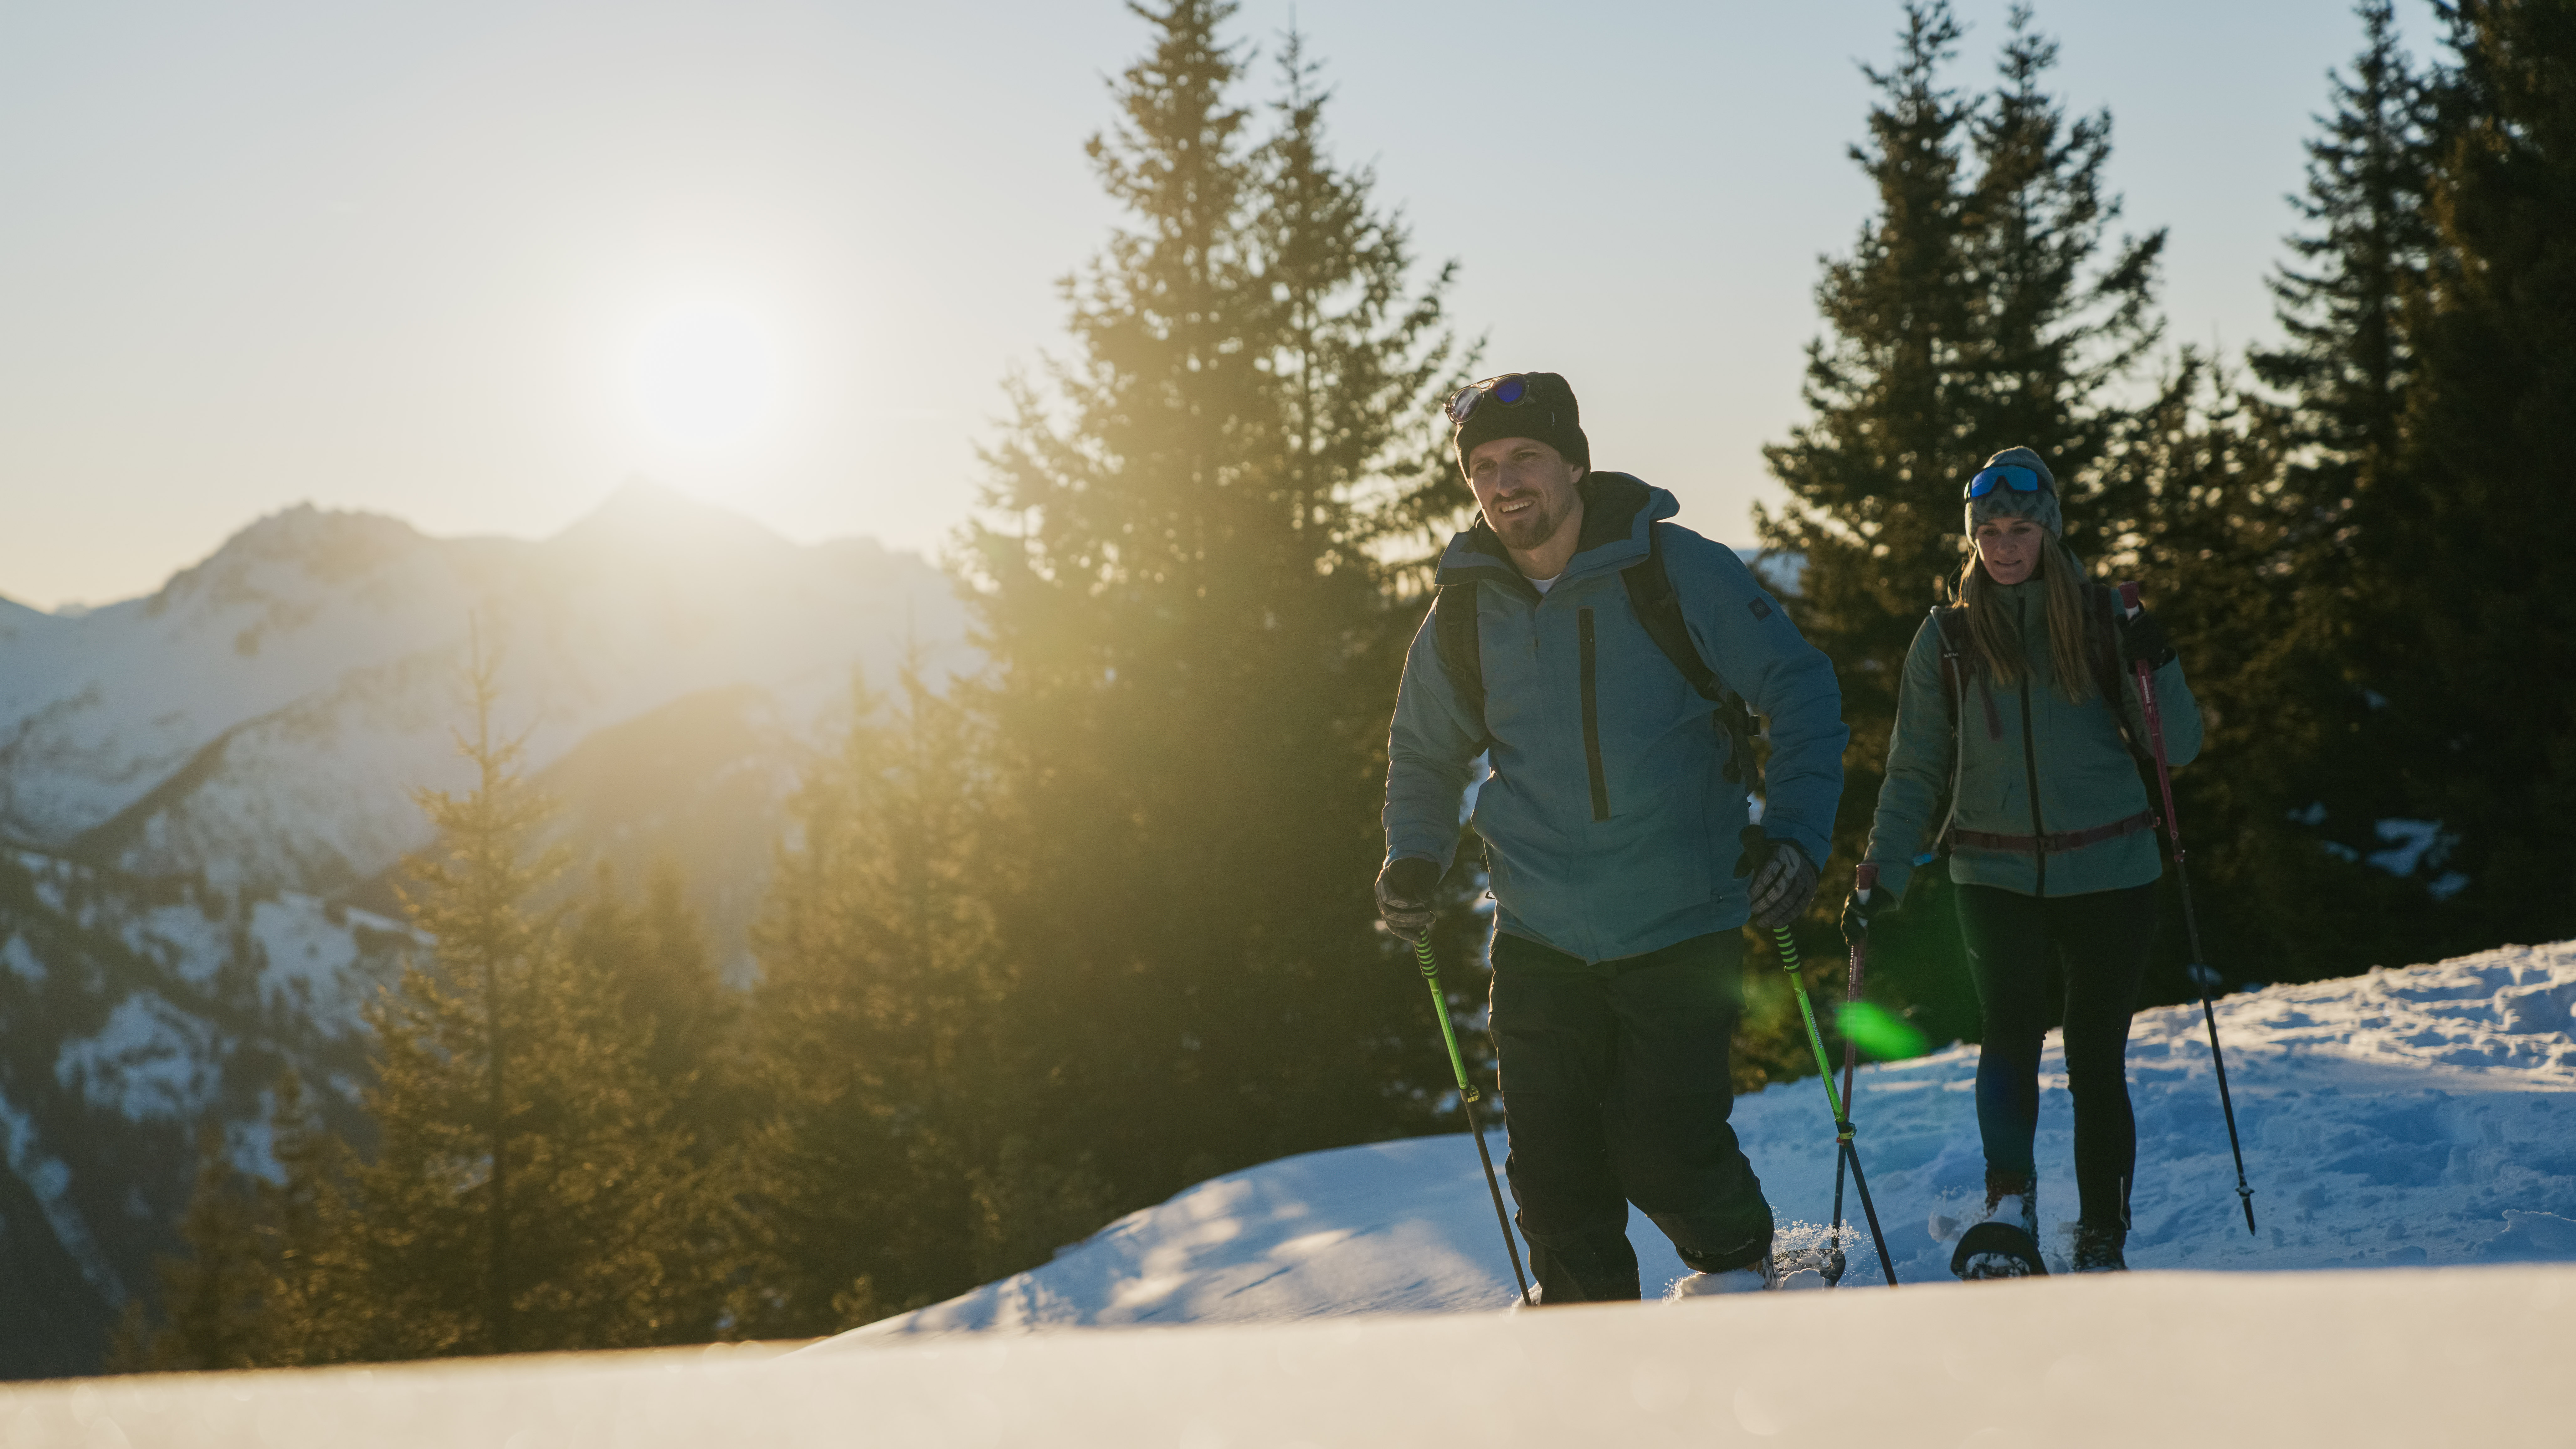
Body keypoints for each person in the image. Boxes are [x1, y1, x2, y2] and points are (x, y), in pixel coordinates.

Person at [1375, 372, 1847, 1302]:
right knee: (1552, 1178)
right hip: (1541, 925)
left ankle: (1745, 1269)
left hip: (1682, 913)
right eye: (1484, 467)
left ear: (1576, 464)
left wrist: (1794, 834)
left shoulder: (1672, 569)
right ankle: (1586, 1358)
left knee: (1664, 1148)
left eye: (1526, 459)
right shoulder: (1466, 609)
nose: (1505, 483)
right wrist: (1413, 853)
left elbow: (1801, 691)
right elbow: (1425, 754)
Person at [1841, 446, 2200, 1274]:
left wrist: (2161, 660)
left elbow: (2174, 746)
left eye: (2020, 530)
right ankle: (2010, 1211)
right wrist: (1883, 873)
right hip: (1994, 874)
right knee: (2008, 1040)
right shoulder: (1949, 636)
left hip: (2113, 870)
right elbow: (1915, 768)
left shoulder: (2107, 621)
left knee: (2095, 1055)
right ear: (1973, 538)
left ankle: (2102, 1233)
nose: (2004, 546)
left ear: (2050, 531)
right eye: (1990, 531)